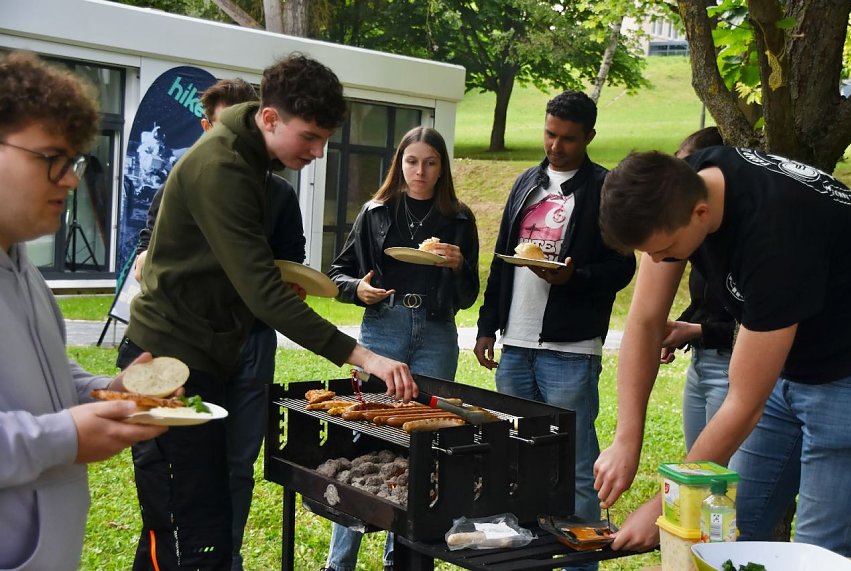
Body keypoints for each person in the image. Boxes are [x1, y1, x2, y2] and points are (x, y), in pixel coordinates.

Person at [117, 53, 418, 571]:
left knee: (207, 515)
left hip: (206, 357)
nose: (318, 152)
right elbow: (262, 294)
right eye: (310, 137)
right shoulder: (222, 166)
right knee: (179, 525)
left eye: (324, 139)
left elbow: (236, 271)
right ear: (270, 118)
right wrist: (364, 357)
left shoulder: (251, 157)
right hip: (166, 362)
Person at [595, 147, 851, 557]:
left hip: (848, 378)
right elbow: (645, 322)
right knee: (724, 532)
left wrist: (672, 497)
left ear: (700, 214)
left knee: (820, 553)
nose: (658, 262)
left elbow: (744, 402)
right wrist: (626, 440)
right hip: (788, 364)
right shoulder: (683, 182)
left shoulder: (775, 238)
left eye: (665, 252)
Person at [131, 78, 307, 571]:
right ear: (207, 125)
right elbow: (148, 250)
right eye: (218, 125)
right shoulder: (188, 175)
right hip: (188, 347)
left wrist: (284, 283)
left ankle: (224, 558)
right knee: (173, 470)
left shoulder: (278, 194)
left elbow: (290, 266)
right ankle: (173, 559)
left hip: (250, 343)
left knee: (235, 465)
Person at [0, 51, 166, 570]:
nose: (71, 180)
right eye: (52, 157)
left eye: (72, 161)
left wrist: (104, 389)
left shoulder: (22, 266)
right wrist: (67, 437)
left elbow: (44, 375)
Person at [473, 90, 636, 571]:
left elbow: (621, 268)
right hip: (516, 346)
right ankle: (530, 558)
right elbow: (501, 261)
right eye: (549, 134)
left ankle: (580, 564)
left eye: (567, 138)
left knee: (577, 465)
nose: (555, 146)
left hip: (570, 348)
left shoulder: (605, 189)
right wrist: (487, 327)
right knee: (520, 460)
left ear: (588, 136)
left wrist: (574, 277)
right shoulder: (526, 183)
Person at [325, 126, 479, 571]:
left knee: (426, 440)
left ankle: (405, 559)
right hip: (384, 327)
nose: (420, 171)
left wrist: (458, 265)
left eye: (430, 163)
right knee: (364, 434)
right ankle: (341, 563)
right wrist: (359, 289)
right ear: (400, 163)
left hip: (436, 329)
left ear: (441, 168)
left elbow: (468, 296)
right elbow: (339, 275)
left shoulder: (459, 218)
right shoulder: (376, 212)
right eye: (412, 162)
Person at [661, 126, 736, 452]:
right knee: (697, 467)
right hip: (700, 365)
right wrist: (679, 327)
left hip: (729, 368)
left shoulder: (740, 240)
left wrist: (694, 330)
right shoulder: (698, 235)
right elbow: (705, 300)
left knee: (720, 475)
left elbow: (752, 325)